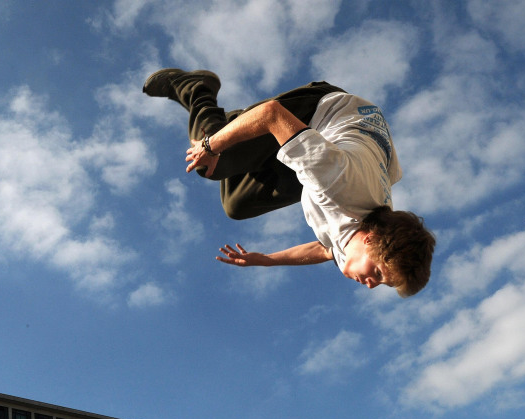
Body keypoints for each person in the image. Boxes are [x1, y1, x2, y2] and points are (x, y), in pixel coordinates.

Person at [143, 68, 435, 297]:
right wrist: (211, 144)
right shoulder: (337, 181)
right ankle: (197, 88)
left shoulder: (369, 232)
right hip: (326, 110)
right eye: (379, 274)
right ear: (369, 240)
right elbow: (272, 114)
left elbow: (324, 250)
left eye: (381, 282)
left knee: (237, 204)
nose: (371, 285)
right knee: (212, 163)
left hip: (355, 150)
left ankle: (245, 136)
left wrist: (268, 260)